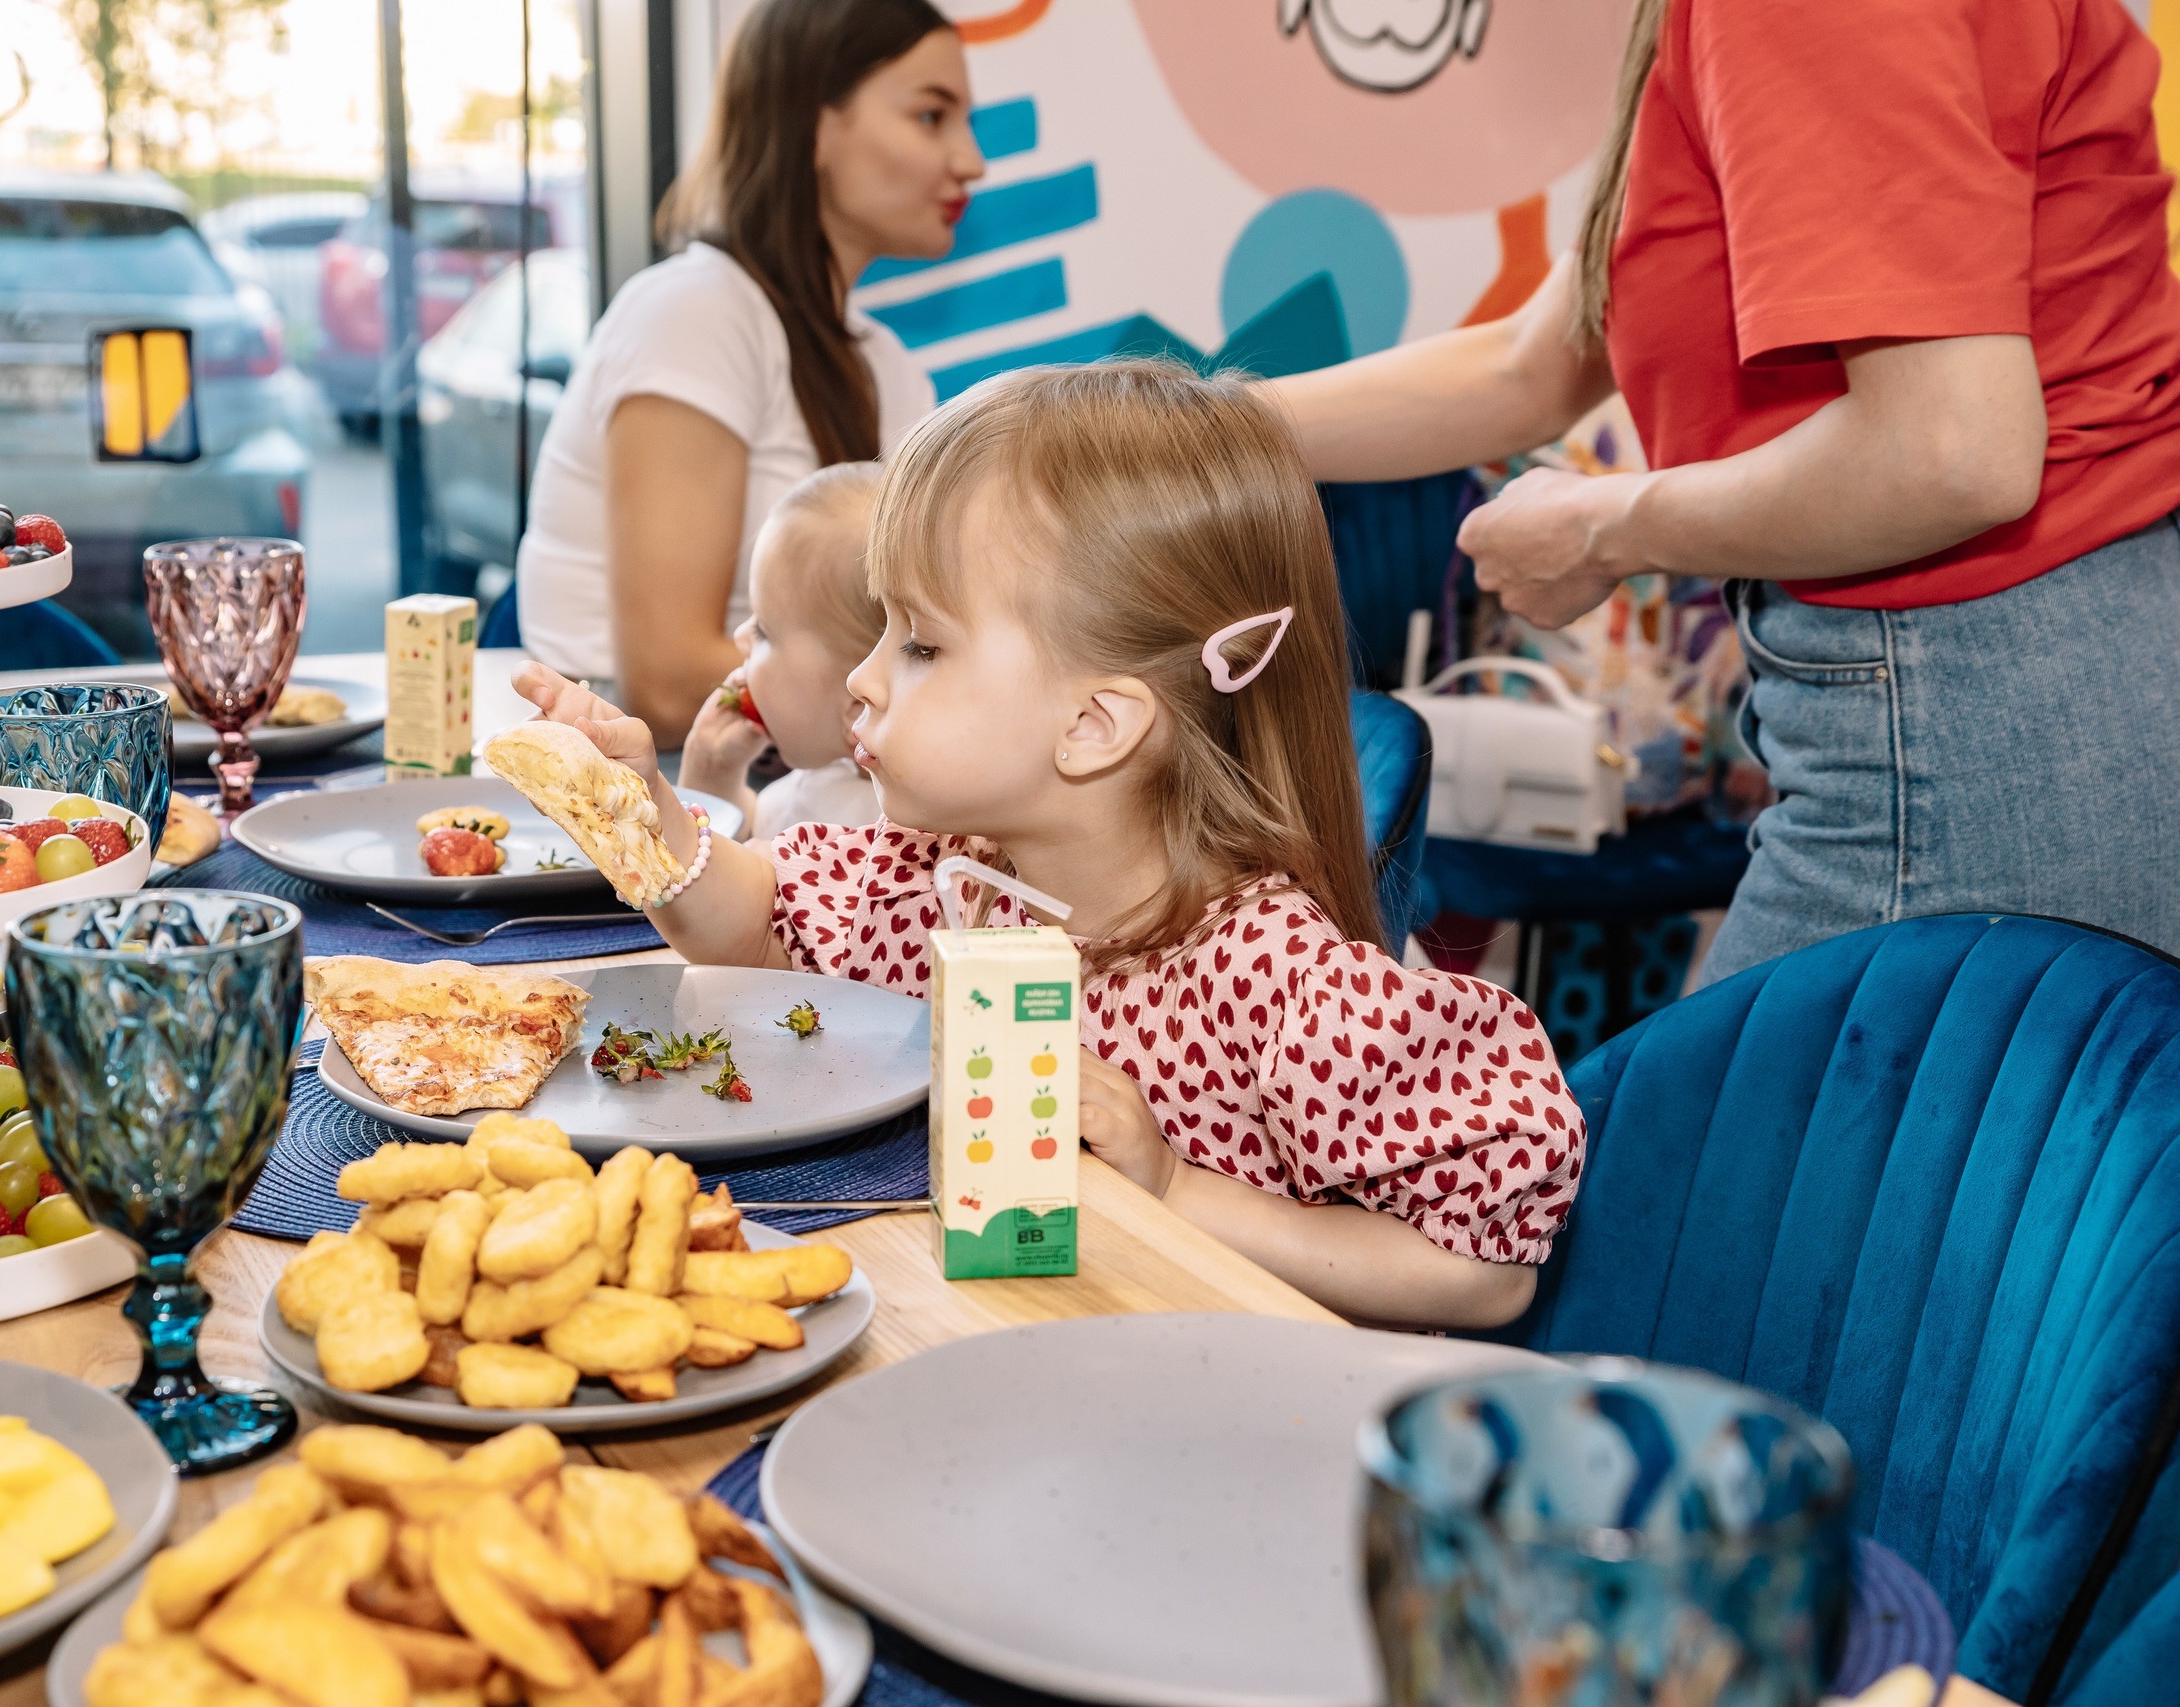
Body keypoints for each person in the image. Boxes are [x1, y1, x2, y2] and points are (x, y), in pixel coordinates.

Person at [515, 364, 1583, 1331]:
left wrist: (1173, 1187)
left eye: (922, 643)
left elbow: (1483, 1268)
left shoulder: (1272, 983)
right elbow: (745, 928)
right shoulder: (951, 887)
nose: (863, 677)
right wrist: (641, 805)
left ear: (1092, 727)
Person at [1260, 0, 2180, 981]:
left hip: (1981, 717)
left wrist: (1608, 529)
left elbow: (1948, 449)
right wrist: (1173, 427)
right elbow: (1531, 365)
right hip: (2030, 691)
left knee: (1701, 1133)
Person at [514, 0, 983, 747]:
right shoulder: (695, 314)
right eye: (932, 116)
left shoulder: (887, 367)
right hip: (637, 794)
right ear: (814, 122)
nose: (971, 161)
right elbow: (665, 687)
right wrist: (959, 700)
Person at [679, 463, 886, 841]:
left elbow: (709, 873)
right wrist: (715, 773)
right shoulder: (821, 783)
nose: (741, 636)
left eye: (763, 630)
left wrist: (704, 786)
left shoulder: (817, 819)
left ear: (858, 708)